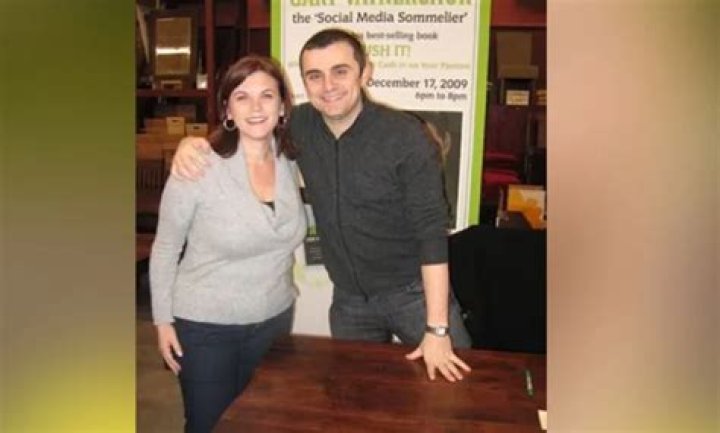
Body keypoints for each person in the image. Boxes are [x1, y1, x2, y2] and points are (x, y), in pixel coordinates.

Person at [171, 28, 472, 382]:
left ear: (365, 72)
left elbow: (431, 233)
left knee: (459, 390)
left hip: (414, 295)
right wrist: (194, 144)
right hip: (350, 302)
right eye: (315, 75)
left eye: (340, 71)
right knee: (354, 396)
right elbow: (245, 132)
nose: (328, 85)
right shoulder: (299, 125)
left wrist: (437, 328)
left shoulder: (405, 136)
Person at [150, 55, 306, 433]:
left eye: (266, 95)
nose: (256, 107)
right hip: (206, 326)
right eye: (242, 97)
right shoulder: (198, 166)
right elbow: (166, 247)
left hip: (273, 320)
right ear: (227, 109)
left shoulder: (290, 160)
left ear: (282, 106)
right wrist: (162, 320)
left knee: (259, 422)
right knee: (209, 424)